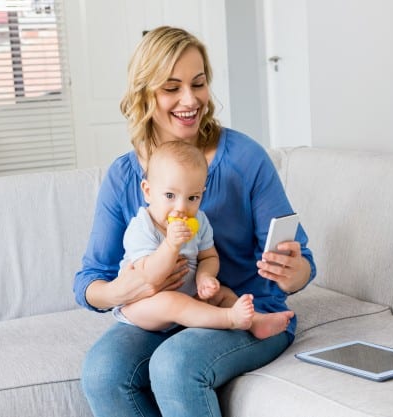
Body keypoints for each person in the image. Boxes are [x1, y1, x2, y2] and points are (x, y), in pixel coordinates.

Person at [74, 26, 316, 417]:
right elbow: (89, 280)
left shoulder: (245, 159)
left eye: (198, 83)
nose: (190, 100)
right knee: (103, 372)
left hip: (246, 309)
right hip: (162, 316)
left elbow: (303, 263)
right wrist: (125, 290)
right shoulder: (124, 177)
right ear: (144, 94)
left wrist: (293, 271)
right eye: (172, 88)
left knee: (175, 365)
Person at [113, 140, 293, 338]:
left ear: (202, 194)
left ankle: (256, 322)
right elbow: (149, 277)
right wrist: (171, 245)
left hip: (189, 298)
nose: (181, 207)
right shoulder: (141, 227)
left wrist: (205, 278)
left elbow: (209, 257)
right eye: (170, 195)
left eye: (192, 198)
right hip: (144, 306)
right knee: (172, 302)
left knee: (222, 293)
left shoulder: (199, 220)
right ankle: (231, 319)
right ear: (148, 191)